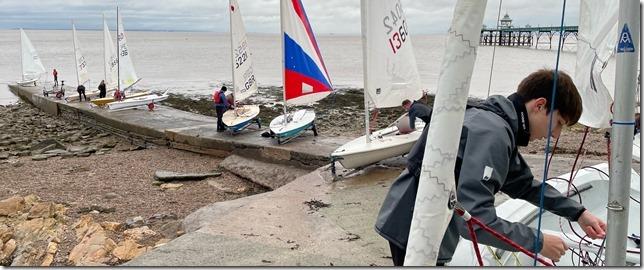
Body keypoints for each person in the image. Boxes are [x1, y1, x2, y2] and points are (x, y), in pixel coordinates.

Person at [375, 69, 607, 266]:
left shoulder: (497, 121)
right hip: (416, 229)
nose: (555, 135)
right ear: (539, 105)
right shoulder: (492, 133)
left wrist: (578, 213)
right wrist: (539, 242)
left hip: (414, 218)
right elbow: (477, 222)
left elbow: (524, 185)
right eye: (558, 124)